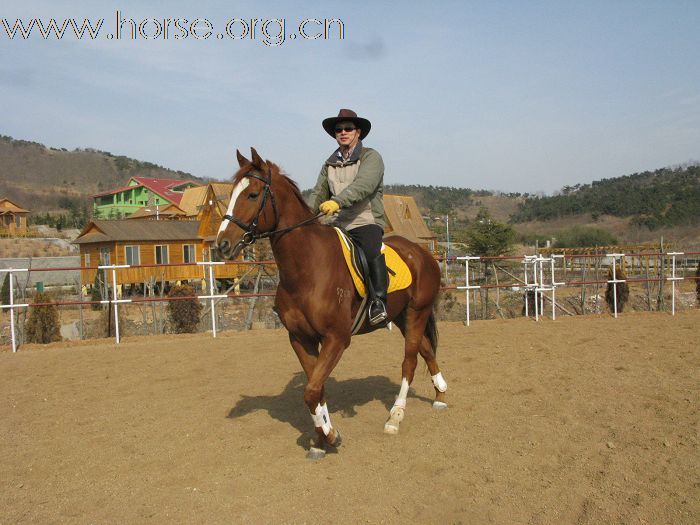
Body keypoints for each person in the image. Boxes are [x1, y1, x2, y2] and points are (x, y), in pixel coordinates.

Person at [310, 108, 388, 325]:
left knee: (372, 250)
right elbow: (318, 193)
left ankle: (379, 302)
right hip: (335, 222)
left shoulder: (371, 157)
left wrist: (336, 201)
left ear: (358, 132)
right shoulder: (329, 164)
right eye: (338, 130)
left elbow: (364, 185)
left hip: (365, 219)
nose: (343, 132)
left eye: (348, 128)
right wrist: (304, 215)